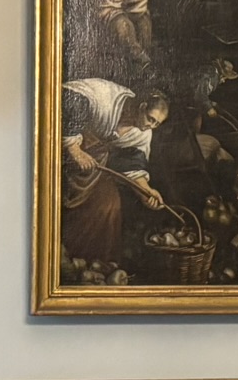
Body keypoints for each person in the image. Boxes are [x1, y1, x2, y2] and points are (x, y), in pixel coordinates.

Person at [60, 79, 170, 265]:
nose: (151, 126)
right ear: (142, 107)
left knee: (109, 205)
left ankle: (95, 264)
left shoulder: (142, 133)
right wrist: (73, 148)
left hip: (93, 168)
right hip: (61, 155)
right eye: (151, 119)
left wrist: (145, 191)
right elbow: (68, 97)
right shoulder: (106, 97)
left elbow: (133, 163)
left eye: (157, 124)